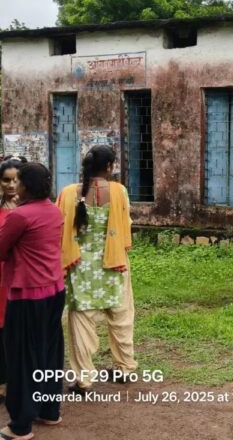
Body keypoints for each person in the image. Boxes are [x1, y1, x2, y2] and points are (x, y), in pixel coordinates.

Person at [58, 145, 137, 395]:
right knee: (121, 316)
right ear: (110, 167)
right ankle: (125, 368)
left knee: (81, 321)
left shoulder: (69, 193)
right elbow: (126, 223)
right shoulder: (118, 191)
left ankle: (83, 380)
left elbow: (59, 228)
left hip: (80, 265)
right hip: (114, 262)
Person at [0, 163, 65, 438]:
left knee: (23, 359)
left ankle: (20, 425)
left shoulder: (20, 216)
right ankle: (49, 411)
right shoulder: (55, 210)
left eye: (19, 182)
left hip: (27, 295)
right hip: (55, 290)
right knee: (49, 353)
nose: (16, 186)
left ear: (26, 185)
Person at [0, 157, 26, 407]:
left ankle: (20, 380)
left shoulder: (30, 209)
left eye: (16, 180)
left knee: (18, 331)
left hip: (21, 278)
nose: (11, 185)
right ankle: (3, 381)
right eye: (6, 180)